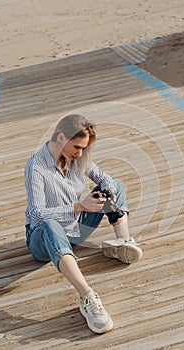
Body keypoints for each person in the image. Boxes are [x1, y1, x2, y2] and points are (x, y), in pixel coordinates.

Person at [24, 114, 143, 334]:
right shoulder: (36, 168)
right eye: (77, 147)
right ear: (61, 137)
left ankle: (123, 241)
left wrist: (105, 193)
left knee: (114, 184)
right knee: (50, 223)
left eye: (84, 148)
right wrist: (79, 206)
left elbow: (106, 179)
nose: (80, 153)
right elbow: (36, 214)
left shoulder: (78, 157)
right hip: (43, 241)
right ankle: (88, 297)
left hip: (76, 228)